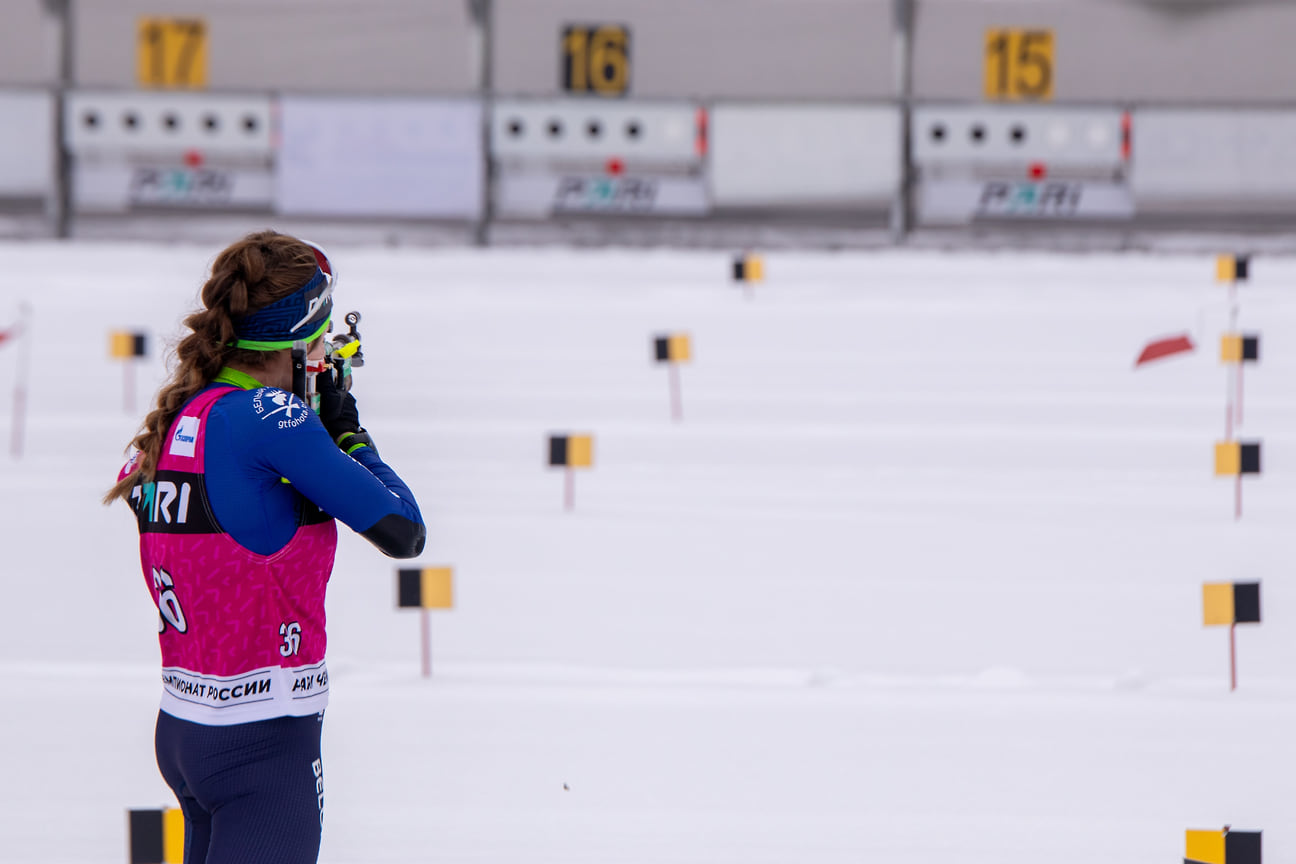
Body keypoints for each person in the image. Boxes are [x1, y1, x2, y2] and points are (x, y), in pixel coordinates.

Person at [104, 230, 425, 864]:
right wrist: (348, 433)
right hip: (265, 740)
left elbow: (231, 530)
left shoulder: (182, 414)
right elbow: (402, 528)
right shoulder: (270, 417)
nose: (329, 354)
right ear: (300, 339)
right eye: (325, 337)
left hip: (187, 723)